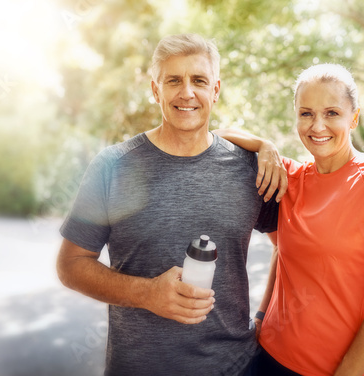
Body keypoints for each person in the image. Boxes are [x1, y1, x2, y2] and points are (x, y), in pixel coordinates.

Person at [56, 33, 283, 375]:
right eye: (173, 80)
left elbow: (291, 249)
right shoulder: (112, 166)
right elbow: (71, 264)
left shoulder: (249, 168)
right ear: (155, 90)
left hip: (232, 367)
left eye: (199, 81)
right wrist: (145, 293)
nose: (187, 92)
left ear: (216, 91)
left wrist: (265, 316)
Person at [217, 63, 364, 376]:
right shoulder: (289, 178)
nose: (317, 126)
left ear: (354, 117)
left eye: (332, 113)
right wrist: (263, 145)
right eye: (306, 113)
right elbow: (216, 136)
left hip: (333, 370)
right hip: (264, 357)